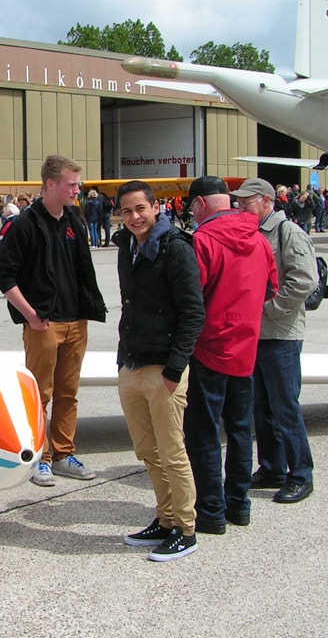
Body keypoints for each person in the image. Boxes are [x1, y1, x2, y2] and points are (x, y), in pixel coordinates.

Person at [0, 155, 107, 487]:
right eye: (72, 184)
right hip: (43, 324)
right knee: (40, 394)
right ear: (50, 184)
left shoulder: (75, 219)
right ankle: (39, 457)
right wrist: (30, 315)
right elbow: (2, 273)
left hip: (76, 321)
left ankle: (62, 454)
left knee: (68, 393)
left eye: (77, 184)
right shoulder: (25, 224)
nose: (77, 190)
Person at [114, 180, 205, 562]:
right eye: (127, 211)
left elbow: (193, 313)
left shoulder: (176, 248)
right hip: (132, 364)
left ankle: (186, 528)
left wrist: (174, 368)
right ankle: (164, 519)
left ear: (156, 208)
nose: (135, 217)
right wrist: (122, 363)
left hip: (163, 368)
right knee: (147, 451)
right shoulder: (126, 248)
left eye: (141, 209)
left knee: (172, 453)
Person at [182, 176, 276, 534]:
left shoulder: (202, 241)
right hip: (246, 347)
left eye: (192, 207)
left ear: (201, 205)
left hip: (209, 349)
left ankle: (211, 510)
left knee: (203, 433)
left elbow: (192, 300)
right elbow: (271, 288)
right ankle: (239, 504)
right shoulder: (259, 240)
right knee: (240, 430)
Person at [232, 178, 318, 505]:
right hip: (256, 334)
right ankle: (271, 467)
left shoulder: (289, 234)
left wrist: (269, 309)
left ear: (267, 202)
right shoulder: (251, 233)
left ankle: (301, 474)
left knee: (284, 406)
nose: (240, 206)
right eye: (237, 202)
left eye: (246, 201)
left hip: (280, 334)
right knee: (261, 407)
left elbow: (303, 282)